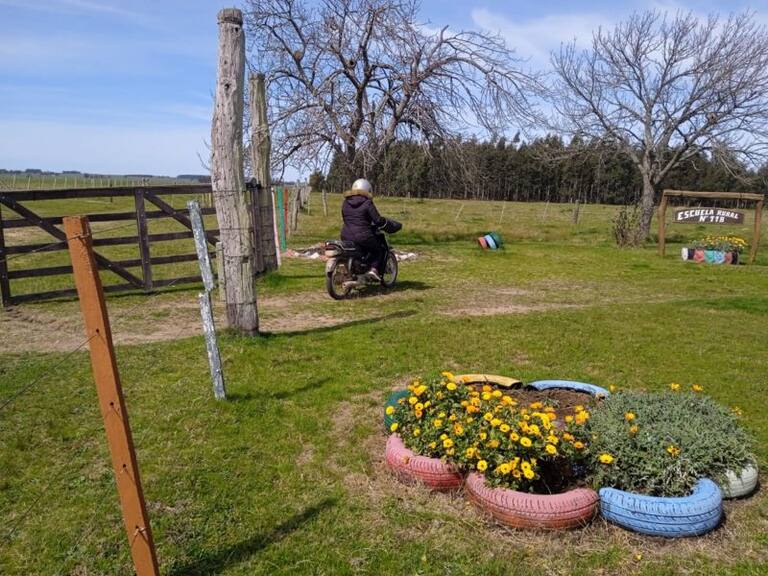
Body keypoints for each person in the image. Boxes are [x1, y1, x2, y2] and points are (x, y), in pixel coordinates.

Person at [341, 178, 388, 282]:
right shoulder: (367, 203)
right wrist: (384, 222)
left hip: (345, 234)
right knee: (378, 250)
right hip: (363, 235)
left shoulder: (345, 202)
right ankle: (374, 270)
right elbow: (377, 220)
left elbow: (345, 218)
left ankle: (355, 270)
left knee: (357, 251)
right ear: (368, 190)